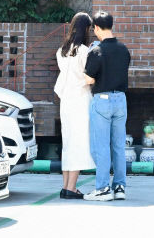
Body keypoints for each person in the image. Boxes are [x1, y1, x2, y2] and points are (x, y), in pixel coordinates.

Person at [83, 10, 131, 202]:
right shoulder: (124, 49)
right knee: (119, 146)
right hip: (121, 99)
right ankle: (119, 187)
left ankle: (102, 188)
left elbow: (88, 79)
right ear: (111, 25)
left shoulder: (96, 51)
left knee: (101, 146)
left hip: (102, 100)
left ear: (96, 28)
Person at [54, 12, 95, 199]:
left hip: (66, 102)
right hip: (81, 100)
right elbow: (89, 77)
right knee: (79, 143)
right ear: (86, 29)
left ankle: (65, 187)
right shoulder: (85, 51)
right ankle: (71, 188)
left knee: (68, 143)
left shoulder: (61, 51)